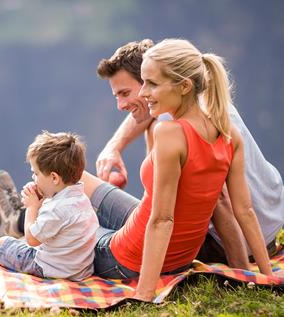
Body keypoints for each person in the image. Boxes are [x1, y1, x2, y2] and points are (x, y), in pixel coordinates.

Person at [0, 39, 273, 301]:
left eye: (151, 85)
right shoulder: (226, 130)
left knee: (70, 225)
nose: (144, 93)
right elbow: (243, 211)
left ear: (184, 86)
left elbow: (161, 220)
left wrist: (144, 295)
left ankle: (19, 223)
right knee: (77, 182)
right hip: (178, 254)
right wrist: (262, 274)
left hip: (125, 256)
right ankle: (30, 215)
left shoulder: (169, 132)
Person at [95, 39, 284, 268]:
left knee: (95, 215)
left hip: (232, 244)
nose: (121, 104)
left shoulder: (177, 128)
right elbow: (145, 115)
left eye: (126, 92)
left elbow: (221, 201)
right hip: (269, 226)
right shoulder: (202, 100)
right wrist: (114, 146)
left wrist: (242, 270)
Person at [0, 131, 99, 281]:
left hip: (51, 269)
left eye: (36, 174)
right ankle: (11, 224)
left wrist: (32, 207)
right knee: (25, 240)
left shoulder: (56, 209)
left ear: (54, 178)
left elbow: (32, 239)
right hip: (80, 270)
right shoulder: (81, 199)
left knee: (3, 244)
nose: (33, 178)